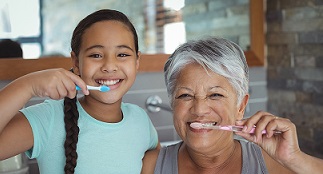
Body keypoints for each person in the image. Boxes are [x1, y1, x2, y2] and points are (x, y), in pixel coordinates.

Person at [0, 9, 159, 174]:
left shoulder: (141, 121)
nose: (110, 66)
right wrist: (28, 86)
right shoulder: (49, 119)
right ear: (76, 63)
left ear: (137, 61)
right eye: (96, 55)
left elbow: (159, 157)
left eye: (122, 54)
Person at [141, 37, 323, 174]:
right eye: (185, 95)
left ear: (241, 106)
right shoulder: (149, 166)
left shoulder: (274, 164)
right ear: (173, 103)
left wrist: (294, 158)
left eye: (215, 95)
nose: (199, 109)